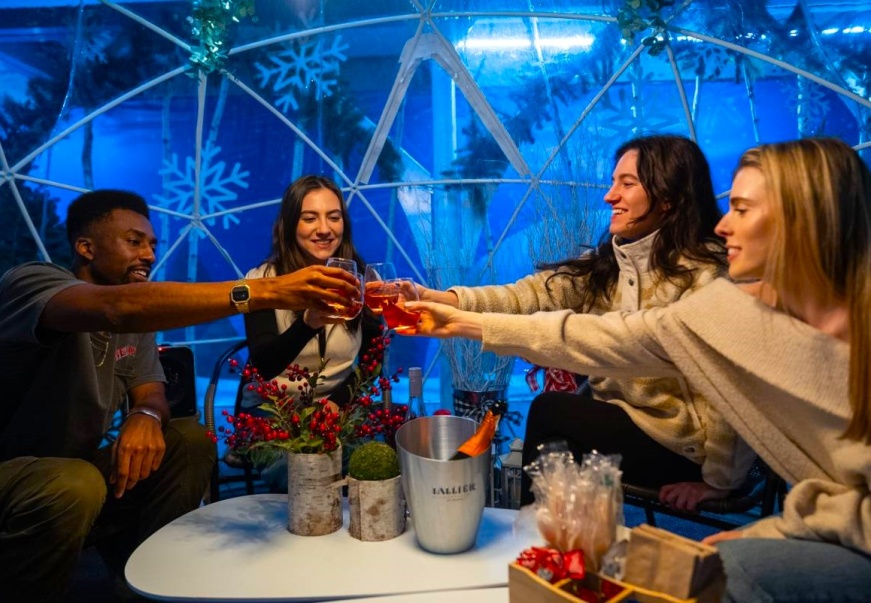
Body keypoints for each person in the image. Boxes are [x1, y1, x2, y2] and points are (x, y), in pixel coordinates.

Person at [406, 138, 871, 601]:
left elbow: (717, 406)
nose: (725, 224)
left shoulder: (718, 289)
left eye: (744, 210)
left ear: (803, 220)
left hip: (686, 446)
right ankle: (557, 554)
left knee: (732, 570)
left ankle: (551, 552)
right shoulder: (706, 302)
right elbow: (592, 328)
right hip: (839, 522)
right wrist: (454, 310)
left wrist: (725, 489)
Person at [0, 189, 360, 603]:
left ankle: (148, 582)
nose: (149, 255)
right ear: (86, 247)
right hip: (19, 471)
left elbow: (151, 391)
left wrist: (147, 415)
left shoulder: (137, 321)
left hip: (77, 470)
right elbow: (115, 309)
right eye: (134, 241)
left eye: (153, 244)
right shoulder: (31, 283)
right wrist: (266, 292)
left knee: (190, 439)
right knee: (75, 483)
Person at [416, 134, 753, 509]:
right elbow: (529, 295)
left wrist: (719, 482)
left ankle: (530, 537)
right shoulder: (613, 260)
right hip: (625, 420)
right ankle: (556, 541)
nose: (610, 196)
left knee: (551, 412)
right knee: (555, 444)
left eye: (627, 184)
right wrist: (441, 298)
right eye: (613, 183)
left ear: (669, 198)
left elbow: (731, 393)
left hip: (682, 446)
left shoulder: (707, 278)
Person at [241, 176, 381, 489]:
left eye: (334, 217)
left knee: (374, 465)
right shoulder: (262, 281)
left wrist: (337, 402)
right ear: (290, 224)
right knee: (302, 472)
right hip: (274, 412)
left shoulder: (360, 278)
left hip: (337, 408)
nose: (324, 229)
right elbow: (264, 365)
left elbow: (374, 360)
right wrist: (308, 323)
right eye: (310, 218)